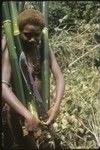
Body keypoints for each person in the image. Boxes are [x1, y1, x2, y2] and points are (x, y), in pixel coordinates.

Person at [2, 9, 65, 149]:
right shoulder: (13, 51)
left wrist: (56, 107)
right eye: (27, 35)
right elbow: (3, 86)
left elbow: (59, 77)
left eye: (37, 35)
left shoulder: (44, 49)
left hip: (41, 109)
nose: (32, 39)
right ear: (19, 32)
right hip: (19, 114)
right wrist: (27, 115)